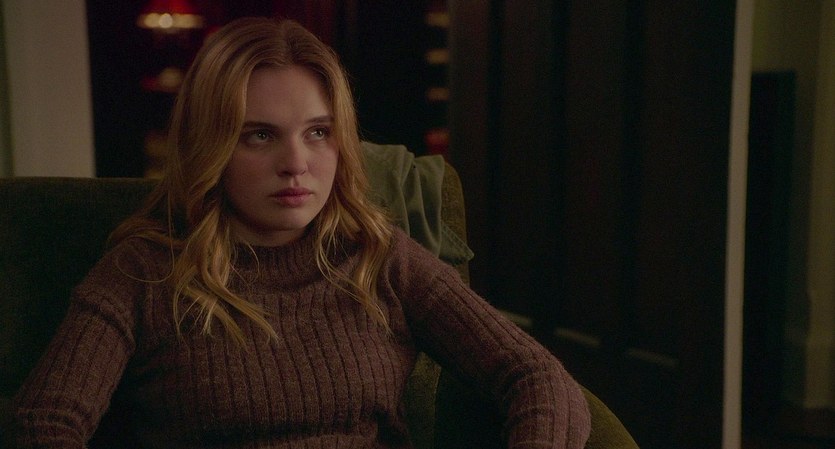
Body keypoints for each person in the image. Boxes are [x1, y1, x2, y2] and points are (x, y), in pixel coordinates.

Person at [12, 17, 590, 448]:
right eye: (260, 136)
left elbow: (534, 375)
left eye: (317, 132)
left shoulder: (379, 255)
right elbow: (45, 423)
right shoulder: (144, 270)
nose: (296, 164)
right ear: (212, 145)